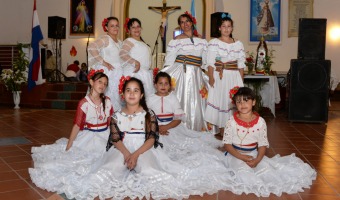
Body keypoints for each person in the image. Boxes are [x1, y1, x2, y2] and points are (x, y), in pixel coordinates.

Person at [59, 77, 234, 200]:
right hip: (123, 148)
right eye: (128, 90)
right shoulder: (116, 116)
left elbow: (151, 139)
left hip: (144, 147)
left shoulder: (148, 115)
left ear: (142, 95)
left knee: (150, 170)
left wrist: (135, 155)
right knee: (109, 169)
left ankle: (141, 164)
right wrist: (127, 154)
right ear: (123, 95)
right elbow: (115, 139)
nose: (132, 94)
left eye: (136, 91)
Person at [29, 70, 114, 195]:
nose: (102, 85)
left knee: (111, 159)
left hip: (105, 134)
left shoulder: (107, 101)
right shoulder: (84, 103)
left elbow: (111, 120)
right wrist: (70, 144)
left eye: (105, 83)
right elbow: (77, 125)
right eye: (99, 81)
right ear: (91, 82)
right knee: (79, 161)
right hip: (89, 136)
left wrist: (114, 138)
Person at [222, 87, 316, 197]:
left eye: (246, 100)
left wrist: (257, 160)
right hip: (235, 154)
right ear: (235, 104)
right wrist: (242, 157)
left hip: (253, 154)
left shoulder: (260, 122)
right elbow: (227, 145)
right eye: (239, 101)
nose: (242, 104)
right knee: (243, 172)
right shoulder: (231, 122)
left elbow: (262, 144)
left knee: (266, 172)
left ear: (254, 102)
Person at [147, 72, 222, 160]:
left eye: (166, 83)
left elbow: (178, 118)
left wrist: (166, 127)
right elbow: (146, 117)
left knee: (184, 147)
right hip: (153, 127)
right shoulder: (149, 99)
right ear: (155, 85)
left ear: (170, 86)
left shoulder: (173, 98)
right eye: (160, 83)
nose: (163, 86)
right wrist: (156, 128)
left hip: (171, 127)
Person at [162, 12, 208, 131]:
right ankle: (180, 128)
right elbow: (169, 61)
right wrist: (163, 76)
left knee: (196, 101)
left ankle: (196, 127)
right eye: (182, 22)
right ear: (179, 26)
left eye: (187, 21)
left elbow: (206, 62)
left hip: (196, 75)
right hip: (182, 74)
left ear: (192, 23)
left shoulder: (202, 41)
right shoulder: (176, 41)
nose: (185, 24)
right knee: (182, 99)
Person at [204, 14, 245, 137]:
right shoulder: (214, 43)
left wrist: (241, 81)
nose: (226, 29)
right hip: (220, 76)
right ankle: (222, 129)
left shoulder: (238, 44)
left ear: (232, 28)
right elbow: (210, 63)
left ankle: (233, 129)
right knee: (221, 101)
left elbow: (241, 65)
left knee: (232, 101)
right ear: (219, 28)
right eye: (224, 26)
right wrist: (211, 78)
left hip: (234, 77)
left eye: (229, 26)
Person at [88, 16, 123, 110]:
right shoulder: (105, 39)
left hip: (118, 74)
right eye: (112, 26)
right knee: (107, 98)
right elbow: (91, 47)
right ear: (106, 28)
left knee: (117, 99)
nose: (115, 28)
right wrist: (104, 62)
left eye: (117, 25)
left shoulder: (120, 42)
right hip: (109, 73)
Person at [120, 18, 155, 96]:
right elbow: (122, 53)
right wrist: (135, 62)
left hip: (145, 74)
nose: (136, 29)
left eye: (138, 26)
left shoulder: (142, 43)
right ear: (128, 30)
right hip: (136, 74)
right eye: (133, 27)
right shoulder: (129, 40)